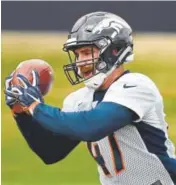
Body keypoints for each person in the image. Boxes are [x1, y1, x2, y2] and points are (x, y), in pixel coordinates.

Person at [5, 11, 176, 185]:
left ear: (114, 51)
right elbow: (51, 152)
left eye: (87, 52)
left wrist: (35, 106)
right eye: (78, 54)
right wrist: (20, 113)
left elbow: (92, 126)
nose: (81, 61)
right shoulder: (79, 99)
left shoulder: (136, 86)